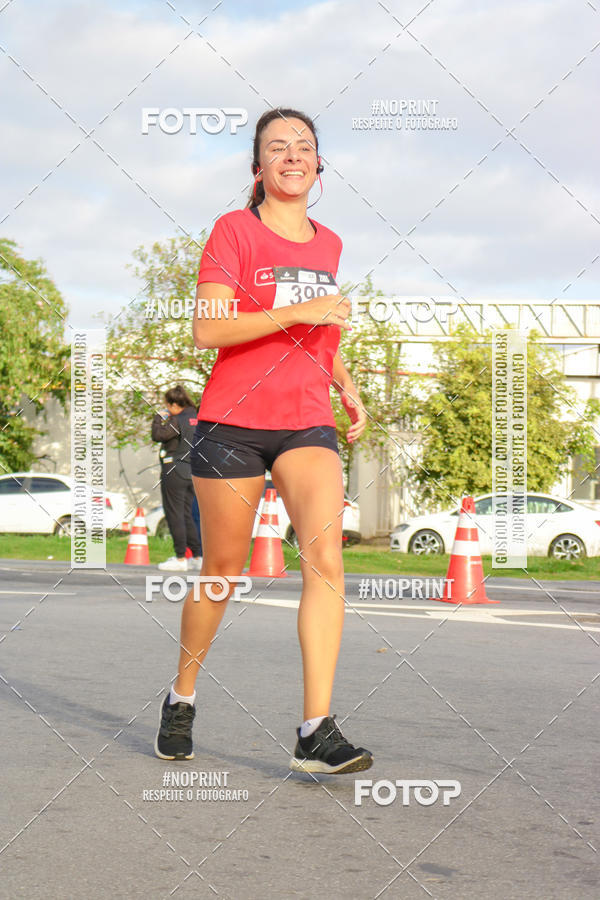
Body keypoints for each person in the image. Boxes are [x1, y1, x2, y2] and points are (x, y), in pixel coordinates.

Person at [154, 107, 373, 775]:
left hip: (307, 421)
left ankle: (315, 729)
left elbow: (319, 331)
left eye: (303, 146)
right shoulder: (233, 232)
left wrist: (345, 379)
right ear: (258, 168)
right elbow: (208, 331)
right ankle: (181, 696)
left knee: (326, 563)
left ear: (318, 165)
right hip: (233, 424)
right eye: (277, 147)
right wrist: (301, 310)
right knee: (224, 573)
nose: (291, 155)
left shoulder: (329, 242)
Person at [151, 386, 203, 571]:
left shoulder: (178, 420)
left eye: (167, 406)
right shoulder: (197, 418)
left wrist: (159, 418)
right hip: (192, 471)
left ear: (174, 404)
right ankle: (197, 556)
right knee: (187, 514)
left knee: (175, 514)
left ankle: (180, 558)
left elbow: (158, 435)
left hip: (174, 470)